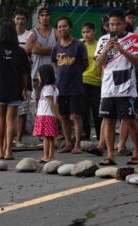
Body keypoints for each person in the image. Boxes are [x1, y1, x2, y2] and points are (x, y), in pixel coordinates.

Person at [95, 9, 138, 165]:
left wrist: (122, 50)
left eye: (117, 24)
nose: (114, 27)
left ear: (124, 24)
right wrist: (106, 50)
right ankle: (110, 155)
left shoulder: (134, 38)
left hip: (126, 86)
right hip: (108, 86)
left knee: (130, 120)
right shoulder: (103, 40)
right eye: (111, 24)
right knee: (108, 120)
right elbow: (99, 63)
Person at [0, 21, 30, 160]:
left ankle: (0, 151)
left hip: (0, 87)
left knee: (0, 119)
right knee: (11, 120)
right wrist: (25, 89)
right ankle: (8, 151)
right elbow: (24, 72)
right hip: (15, 88)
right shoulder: (20, 51)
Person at [52, 16, 88, 154]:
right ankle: (68, 143)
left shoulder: (79, 45)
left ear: (70, 28)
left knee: (76, 116)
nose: (62, 29)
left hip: (76, 87)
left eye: (64, 26)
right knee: (64, 117)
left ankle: (77, 144)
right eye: (59, 27)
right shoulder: (56, 46)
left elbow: (85, 64)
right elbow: (56, 64)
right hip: (61, 88)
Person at [26, 7, 57, 106]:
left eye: (47, 15)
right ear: (38, 18)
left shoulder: (56, 32)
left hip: (54, 75)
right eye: (42, 15)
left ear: (50, 17)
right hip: (37, 75)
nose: (45, 17)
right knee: (39, 105)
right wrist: (52, 48)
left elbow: (60, 49)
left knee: (53, 104)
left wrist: (41, 49)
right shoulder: (33, 32)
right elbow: (33, 49)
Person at [33, 64, 61, 163]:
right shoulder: (54, 88)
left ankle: (46, 156)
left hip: (46, 115)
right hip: (48, 115)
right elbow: (55, 102)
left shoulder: (47, 88)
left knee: (46, 137)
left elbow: (51, 102)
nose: (38, 77)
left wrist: (55, 115)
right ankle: (50, 156)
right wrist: (57, 115)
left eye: (39, 75)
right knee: (50, 137)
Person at [81, 22, 103, 142]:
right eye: (83, 32)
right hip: (83, 81)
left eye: (88, 32)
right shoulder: (80, 46)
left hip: (97, 82)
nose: (86, 35)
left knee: (97, 111)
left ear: (94, 32)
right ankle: (85, 136)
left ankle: (101, 137)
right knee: (84, 111)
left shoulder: (99, 45)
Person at [14, 8, 33, 146]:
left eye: (22, 19)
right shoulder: (8, 34)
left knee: (23, 109)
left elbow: (25, 51)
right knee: (9, 109)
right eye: (18, 18)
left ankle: (19, 139)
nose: (20, 21)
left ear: (26, 21)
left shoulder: (30, 34)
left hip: (25, 76)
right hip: (9, 77)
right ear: (14, 20)